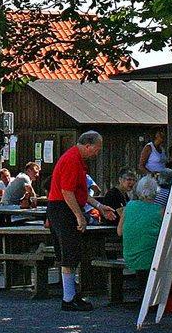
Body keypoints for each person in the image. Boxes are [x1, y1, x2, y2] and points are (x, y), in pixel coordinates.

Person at [46, 130, 118, 311]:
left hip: (63, 207)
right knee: (68, 253)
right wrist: (79, 215)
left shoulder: (77, 159)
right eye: (97, 149)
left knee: (72, 253)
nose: (97, 153)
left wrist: (99, 206)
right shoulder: (72, 160)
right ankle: (68, 299)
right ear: (88, 146)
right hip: (62, 208)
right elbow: (67, 192)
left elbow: (80, 193)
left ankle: (71, 295)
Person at [119, 175, 172, 303]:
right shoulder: (160, 210)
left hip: (130, 256)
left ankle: (168, 295)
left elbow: (119, 232)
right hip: (153, 258)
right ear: (156, 191)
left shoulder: (129, 206)